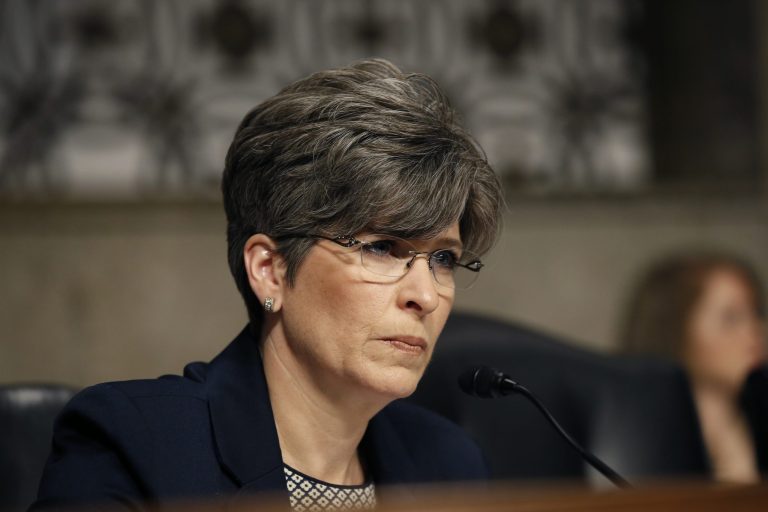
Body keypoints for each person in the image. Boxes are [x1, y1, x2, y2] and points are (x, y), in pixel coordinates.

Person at [31, 58, 503, 510]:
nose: (424, 295)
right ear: (269, 270)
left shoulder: (449, 463)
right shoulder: (140, 444)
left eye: (443, 259)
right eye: (381, 248)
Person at [620, 251, 767, 483]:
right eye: (731, 318)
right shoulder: (635, 437)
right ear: (674, 326)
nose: (754, 332)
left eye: (756, 313)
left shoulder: (760, 416)